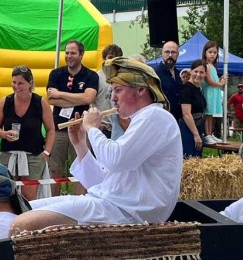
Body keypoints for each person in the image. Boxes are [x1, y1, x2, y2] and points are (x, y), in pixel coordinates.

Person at [9, 57, 182, 233]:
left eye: (118, 90)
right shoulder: (142, 120)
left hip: (126, 212)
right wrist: (80, 144)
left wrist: (92, 128)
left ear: (140, 90)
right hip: (112, 205)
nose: (113, 98)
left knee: (20, 224)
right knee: (18, 209)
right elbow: (101, 183)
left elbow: (115, 160)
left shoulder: (154, 116)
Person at [0, 66, 54, 201]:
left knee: (29, 198)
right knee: (6, 195)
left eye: (20, 83)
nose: (16, 86)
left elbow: (50, 129)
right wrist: (4, 134)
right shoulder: (5, 102)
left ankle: (27, 221)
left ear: (30, 83)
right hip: (9, 154)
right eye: (14, 82)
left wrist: (46, 153)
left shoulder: (40, 102)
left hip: (33, 155)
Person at [47, 39, 99, 196]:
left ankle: (79, 203)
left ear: (81, 54)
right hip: (59, 129)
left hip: (81, 130)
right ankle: (54, 204)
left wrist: (60, 94)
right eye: (67, 53)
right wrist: (78, 97)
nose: (69, 56)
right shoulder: (56, 74)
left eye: (73, 53)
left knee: (82, 167)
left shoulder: (91, 75)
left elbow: (88, 98)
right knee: (55, 168)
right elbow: (51, 99)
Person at [153, 40, 184, 130]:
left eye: (173, 52)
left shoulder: (178, 74)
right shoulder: (155, 74)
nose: (170, 55)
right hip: (161, 122)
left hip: (176, 121)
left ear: (178, 54)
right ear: (162, 54)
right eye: (167, 52)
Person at [200, 42, 227, 144]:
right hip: (209, 92)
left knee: (211, 115)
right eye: (210, 52)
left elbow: (213, 79)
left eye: (215, 52)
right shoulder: (206, 65)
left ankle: (210, 134)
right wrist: (220, 84)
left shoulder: (212, 65)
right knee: (208, 114)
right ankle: (207, 135)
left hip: (214, 92)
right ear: (205, 53)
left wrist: (220, 81)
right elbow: (209, 81)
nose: (212, 54)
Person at [95, 44, 124, 135]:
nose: (113, 60)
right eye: (110, 57)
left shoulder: (122, 77)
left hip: (119, 126)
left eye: (116, 58)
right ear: (104, 58)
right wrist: (96, 123)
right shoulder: (96, 77)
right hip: (103, 126)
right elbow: (90, 101)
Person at [180, 61, 207, 158]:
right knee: (189, 160)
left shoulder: (198, 89)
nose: (198, 75)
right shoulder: (186, 89)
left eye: (201, 72)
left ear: (205, 74)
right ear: (191, 72)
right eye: (196, 71)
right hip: (188, 129)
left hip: (198, 127)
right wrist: (196, 135)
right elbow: (186, 114)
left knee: (197, 160)